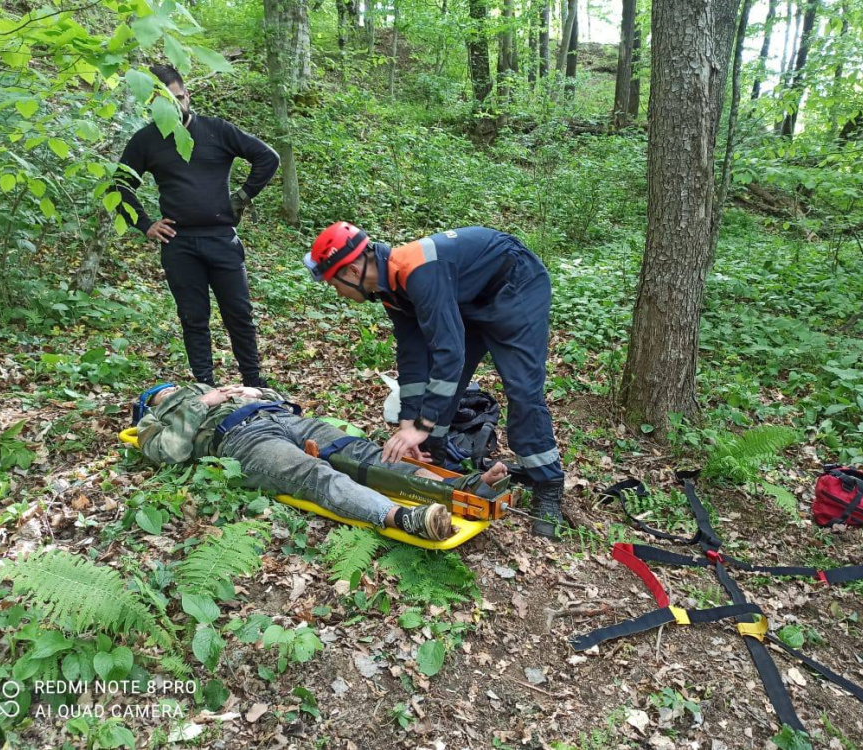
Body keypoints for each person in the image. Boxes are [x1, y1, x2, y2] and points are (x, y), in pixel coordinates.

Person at [303, 224, 566, 539]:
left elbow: (450, 355)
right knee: (441, 385)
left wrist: (422, 424)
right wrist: (408, 424)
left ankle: (548, 484)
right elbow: (413, 358)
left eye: (334, 283)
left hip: (515, 286)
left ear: (354, 269)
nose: (337, 291)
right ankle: (439, 470)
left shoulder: (418, 272)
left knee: (522, 389)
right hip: (468, 297)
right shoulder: (391, 290)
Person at [135, 383, 509, 541]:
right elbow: (170, 453)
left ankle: (461, 486)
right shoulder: (155, 419)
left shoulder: (215, 388)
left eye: (171, 386)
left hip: (282, 418)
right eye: (162, 391)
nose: (171, 388)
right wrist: (203, 404)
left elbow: (284, 399)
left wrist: (254, 391)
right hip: (240, 438)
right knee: (314, 474)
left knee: (362, 452)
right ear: (152, 402)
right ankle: (405, 518)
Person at [116, 64, 279, 388]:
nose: (176, 107)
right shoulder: (146, 140)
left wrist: (242, 196)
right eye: (166, 103)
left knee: (239, 315)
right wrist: (145, 224)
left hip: (221, 238)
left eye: (179, 98)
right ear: (152, 105)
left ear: (187, 95)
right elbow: (119, 186)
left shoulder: (217, 130)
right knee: (193, 318)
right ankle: (205, 385)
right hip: (179, 243)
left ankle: (254, 383)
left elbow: (267, 158)